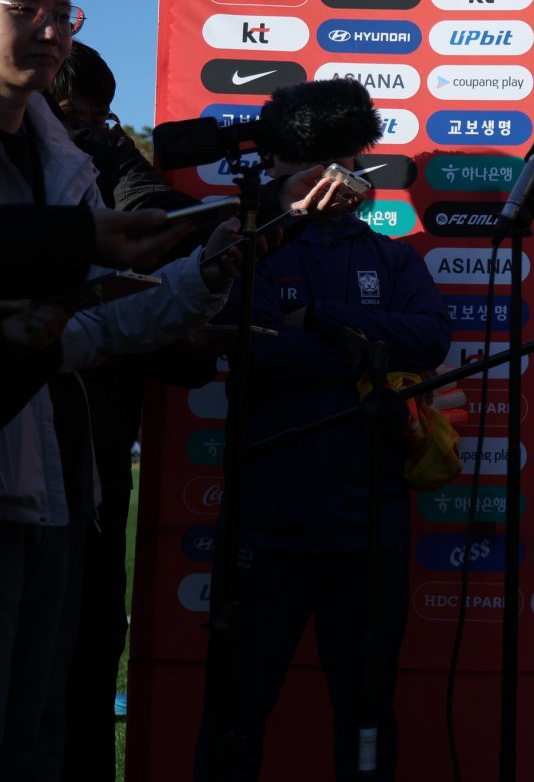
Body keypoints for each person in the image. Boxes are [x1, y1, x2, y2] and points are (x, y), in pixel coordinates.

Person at [0, 0, 239, 782]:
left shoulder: (69, 163)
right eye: (24, 10)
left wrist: (212, 267)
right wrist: (71, 247)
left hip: (56, 497)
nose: (49, 31)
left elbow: (83, 340)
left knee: (39, 737)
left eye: (62, 15)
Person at [193, 78, 451, 781]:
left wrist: (329, 325)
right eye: (328, 156)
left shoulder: (392, 256)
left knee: (368, 719)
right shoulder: (253, 246)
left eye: (351, 155)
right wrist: (360, 351)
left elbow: (429, 340)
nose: (346, 172)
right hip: (265, 529)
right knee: (234, 717)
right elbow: (259, 346)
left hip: (369, 529)